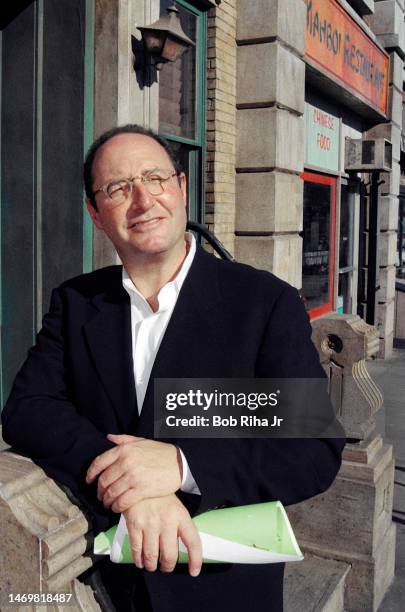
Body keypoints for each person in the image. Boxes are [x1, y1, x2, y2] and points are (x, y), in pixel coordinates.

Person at [2, 124, 345, 611]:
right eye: (118, 188)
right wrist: (129, 479)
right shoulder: (77, 302)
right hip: (109, 585)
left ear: (182, 188)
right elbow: (28, 408)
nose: (143, 200)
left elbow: (311, 450)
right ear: (95, 213)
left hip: (222, 589)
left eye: (155, 178)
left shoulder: (262, 302)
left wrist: (182, 466)